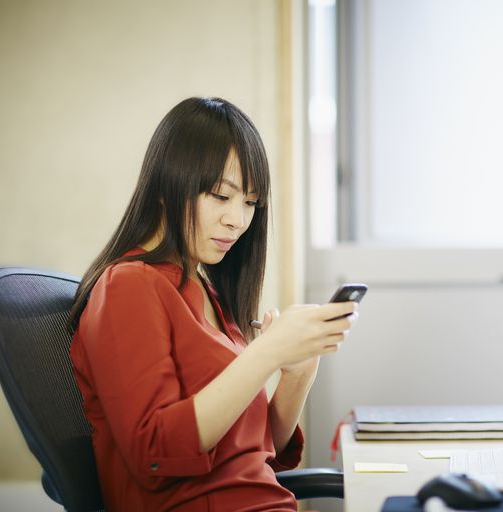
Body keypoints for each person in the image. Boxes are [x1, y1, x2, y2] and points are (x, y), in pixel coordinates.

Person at [69, 97, 358, 511]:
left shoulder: (207, 289)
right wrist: (265, 352)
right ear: (169, 186)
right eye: (221, 196)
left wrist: (297, 371)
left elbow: (258, 455)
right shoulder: (128, 287)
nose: (238, 220)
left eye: (250, 202)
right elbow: (155, 452)